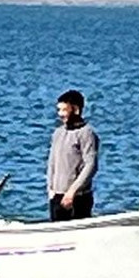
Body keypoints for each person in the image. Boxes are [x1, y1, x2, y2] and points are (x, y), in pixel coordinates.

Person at [47, 89, 99, 221]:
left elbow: (90, 165)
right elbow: (52, 163)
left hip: (78, 197)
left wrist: (72, 192)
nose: (60, 114)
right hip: (57, 196)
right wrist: (50, 190)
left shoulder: (86, 133)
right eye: (59, 110)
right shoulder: (58, 133)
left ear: (76, 110)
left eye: (64, 110)